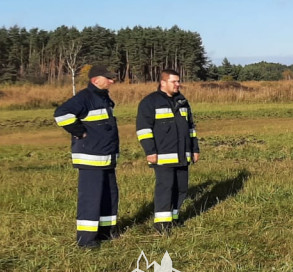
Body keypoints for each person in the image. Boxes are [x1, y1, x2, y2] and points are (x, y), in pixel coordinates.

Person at [53, 65, 120, 248]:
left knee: (110, 195)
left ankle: (106, 232)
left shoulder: (103, 98)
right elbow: (61, 115)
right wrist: (80, 132)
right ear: (95, 80)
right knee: (91, 198)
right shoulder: (85, 97)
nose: (112, 81)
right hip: (91, 157)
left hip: (106, 156)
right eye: (108, 78)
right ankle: (86, 240)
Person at [136, 69, 201, 234]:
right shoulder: (150, 102)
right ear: (163, 83)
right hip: (163, 156)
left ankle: (174, 218)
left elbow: (190, 128)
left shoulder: (182, 101)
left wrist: (194, 149)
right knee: (165, 188)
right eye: (174, 82)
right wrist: (150, 151)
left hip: (183, 155)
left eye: (178, 81)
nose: (178, 84)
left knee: (182, 188)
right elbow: (143, 130)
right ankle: (162, 224)